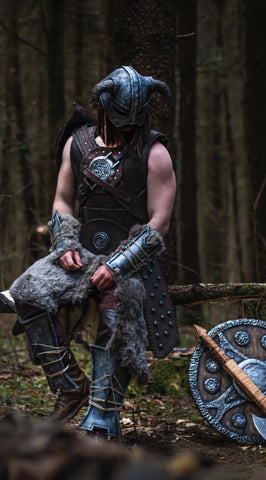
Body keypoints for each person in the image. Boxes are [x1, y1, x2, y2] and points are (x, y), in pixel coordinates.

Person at [8, 66, 177, 439]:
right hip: (79, 253)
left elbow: (159, 223)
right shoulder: (78, 142)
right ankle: (68, 384)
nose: (129, 129)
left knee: (117, 318)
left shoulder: (156, 152)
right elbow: (62, 202)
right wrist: (65, 242)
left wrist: (117, 267)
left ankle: (102, 418)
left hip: (131, 259)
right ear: (103, 108)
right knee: (27, 292)